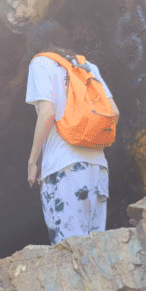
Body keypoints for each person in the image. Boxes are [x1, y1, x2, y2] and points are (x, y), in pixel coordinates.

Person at [25, 20, 119, 245]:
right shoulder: (87, 67)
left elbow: (47, 113)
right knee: (95, 247)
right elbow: (113, 112)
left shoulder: (41, 63)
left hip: (63, 167)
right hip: (97, 169)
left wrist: (32, 161)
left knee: (68, 250)